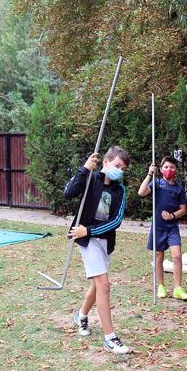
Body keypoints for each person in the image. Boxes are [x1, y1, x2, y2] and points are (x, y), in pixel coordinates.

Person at [65, 146, 132, 354]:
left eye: (123, 168)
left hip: (102, 239)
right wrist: (84, 169)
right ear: (105, 162)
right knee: (103, 284)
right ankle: (110, 338)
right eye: (117, 165)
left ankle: (81, 315)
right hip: (85, 239)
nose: (120, 170)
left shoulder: (119, 190)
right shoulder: (90, 179)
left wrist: (90, 230)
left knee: (96, 285)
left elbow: (116, 221)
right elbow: (69, 192)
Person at [138, 156, 187, 300]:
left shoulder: (179, 189)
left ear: (176, 170)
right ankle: (161, 286)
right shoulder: (157, 183)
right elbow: (141, 192)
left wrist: (172, 216)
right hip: (158, 226)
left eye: (172, 167)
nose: (169, 170)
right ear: (161, 170)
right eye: (166, 167)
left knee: (177, 255)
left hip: (172, 227)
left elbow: (183, 209)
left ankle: (178, 288)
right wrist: (149, 173)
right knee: (158, 256)